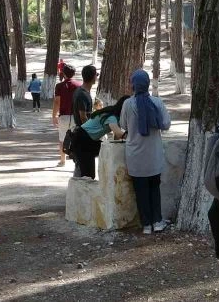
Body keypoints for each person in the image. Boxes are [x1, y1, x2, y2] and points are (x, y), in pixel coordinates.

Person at [119, 69, 172, 234]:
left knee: (140, 191)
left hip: (135, 155)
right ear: (147, 84)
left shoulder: (128, 104)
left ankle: (146, 225)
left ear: (134, 85)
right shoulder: (157, 102)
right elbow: (166, 124)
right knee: (154, 188)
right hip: (153, 154)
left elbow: (123, 125)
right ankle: (157, 222)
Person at [71, 96, 129, 179]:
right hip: (82, 139)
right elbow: (118, 133)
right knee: (87, 175)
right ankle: (79, 185)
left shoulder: (112, 113)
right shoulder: (112, 117)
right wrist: (133, 137)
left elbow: (116, 136)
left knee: (87, 172)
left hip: (85, 139)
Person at [53, 64, 81, 167]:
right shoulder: (79, 85)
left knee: (62, 139)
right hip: (76, 116)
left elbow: (57, 102)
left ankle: (62, 161)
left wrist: (54, 116)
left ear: (63, 74)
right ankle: (77, 161)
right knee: (77, 139)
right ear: (74, 74)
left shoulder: (59, 86)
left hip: (64, 116)